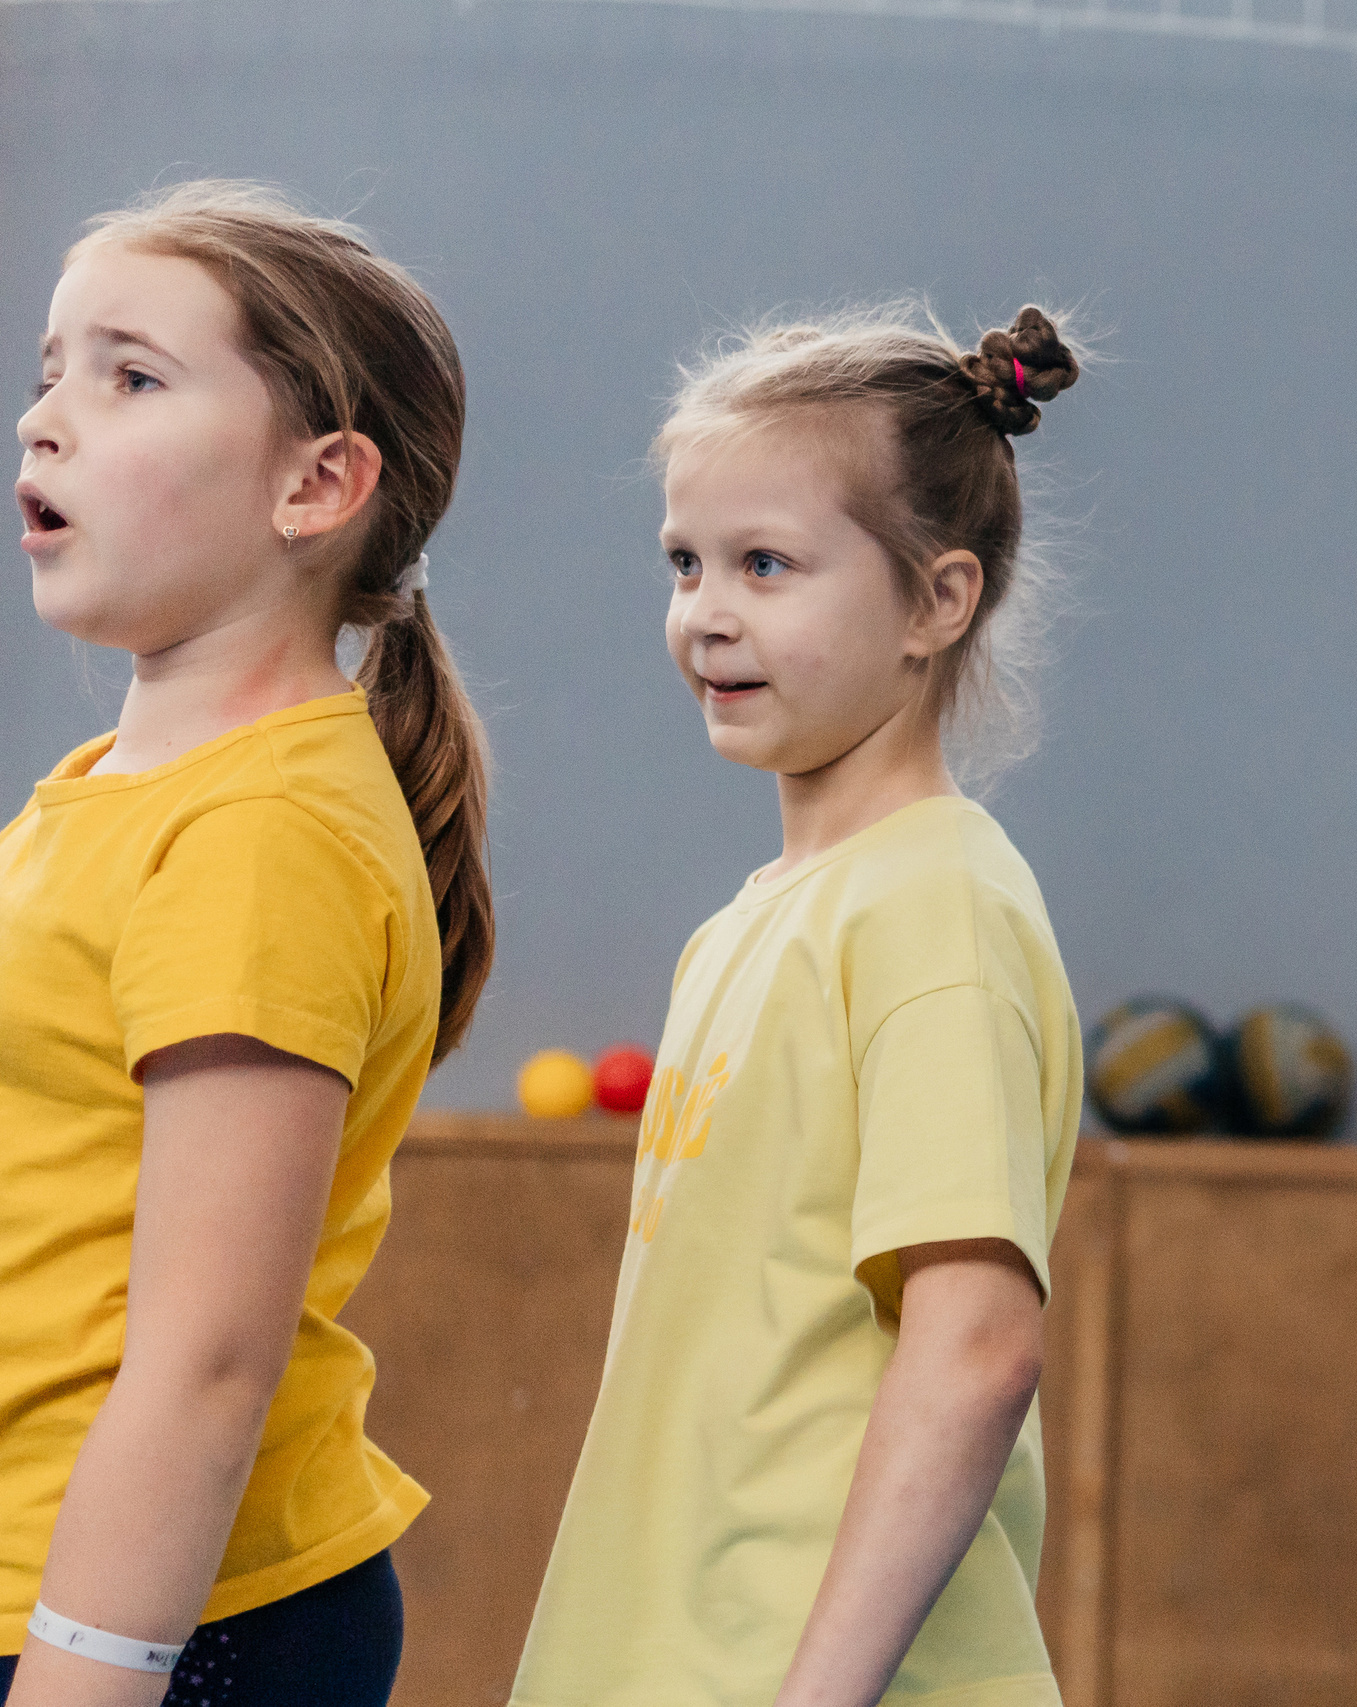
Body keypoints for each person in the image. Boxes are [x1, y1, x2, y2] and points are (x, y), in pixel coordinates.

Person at [512, 305, 1086, 1707]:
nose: (708, 608)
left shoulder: (932, 905)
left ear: (938, 601)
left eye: (767, 563)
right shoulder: (750, 921)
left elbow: (975, 1343)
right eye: (686, 560)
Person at [0, 182, 495, 1705]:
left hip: (155, 1626)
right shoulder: (109, 791)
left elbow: (209, 1367)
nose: (46, 423)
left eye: (129, 376)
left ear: (317, 484)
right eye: (48, 370)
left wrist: (86, 1674)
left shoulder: (261, 837)